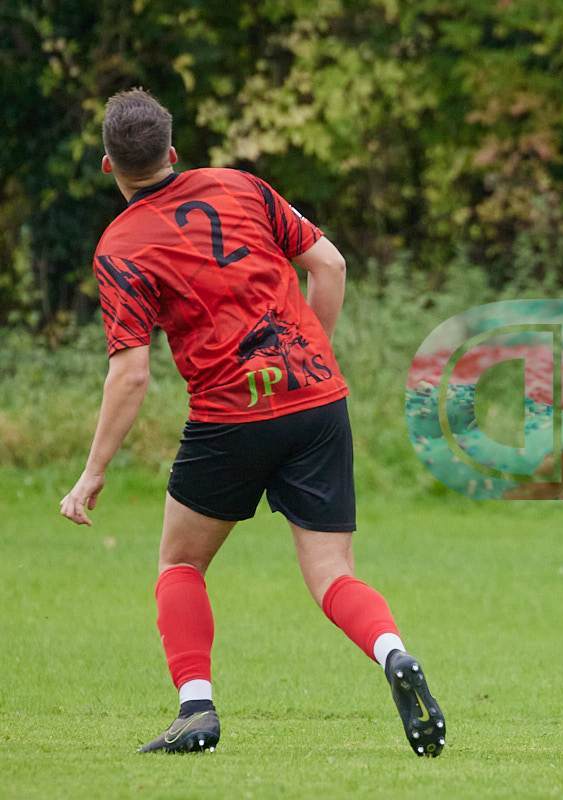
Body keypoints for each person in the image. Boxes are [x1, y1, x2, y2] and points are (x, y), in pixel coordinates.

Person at [59, 88, 445, 757]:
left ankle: (196, 709)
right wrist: (310, 355)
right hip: (317, 400)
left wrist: (92, 473)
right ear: (173, 151)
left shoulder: (120, 247)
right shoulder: (241, 186)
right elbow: (330, 265)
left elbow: (131, 374)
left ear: (108, 166)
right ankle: (393, 653)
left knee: (181, 561)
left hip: (227, 417)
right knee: (332, 573)